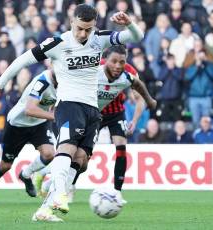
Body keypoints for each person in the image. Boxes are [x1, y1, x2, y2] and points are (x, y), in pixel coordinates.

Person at [0, 4, 149, 222]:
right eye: (79, 28)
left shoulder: (100, 39)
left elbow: (137, 36)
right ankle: (59, 193)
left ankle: (45, 210)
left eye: (88, 29)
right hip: (69, 104)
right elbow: (23, 60)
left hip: (92, 110)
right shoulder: (58, 43)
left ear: (94, 26)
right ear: (71, 22)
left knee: (82, 160)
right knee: (66, 150)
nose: (83, 34)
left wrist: (129, 23)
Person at [33, 45, 156, 221]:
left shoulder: (126, 75)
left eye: (122, 61)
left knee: (82, 162)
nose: (118, 65)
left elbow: (138, 84)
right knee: (70, 155)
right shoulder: (92, 70)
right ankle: (52, 200)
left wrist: (150, 101)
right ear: (105, 60)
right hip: (73, 112)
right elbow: (57, 75)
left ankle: (49, 187)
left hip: (96, 117)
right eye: (114, 61)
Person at [0, 69, 57, 205]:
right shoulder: (42, 81)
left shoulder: (67, 81)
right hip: (17, 124)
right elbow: (29, 109)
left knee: (49, 154)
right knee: (5, 165)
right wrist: (54, 116)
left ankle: (26, 174)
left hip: (40, 123)